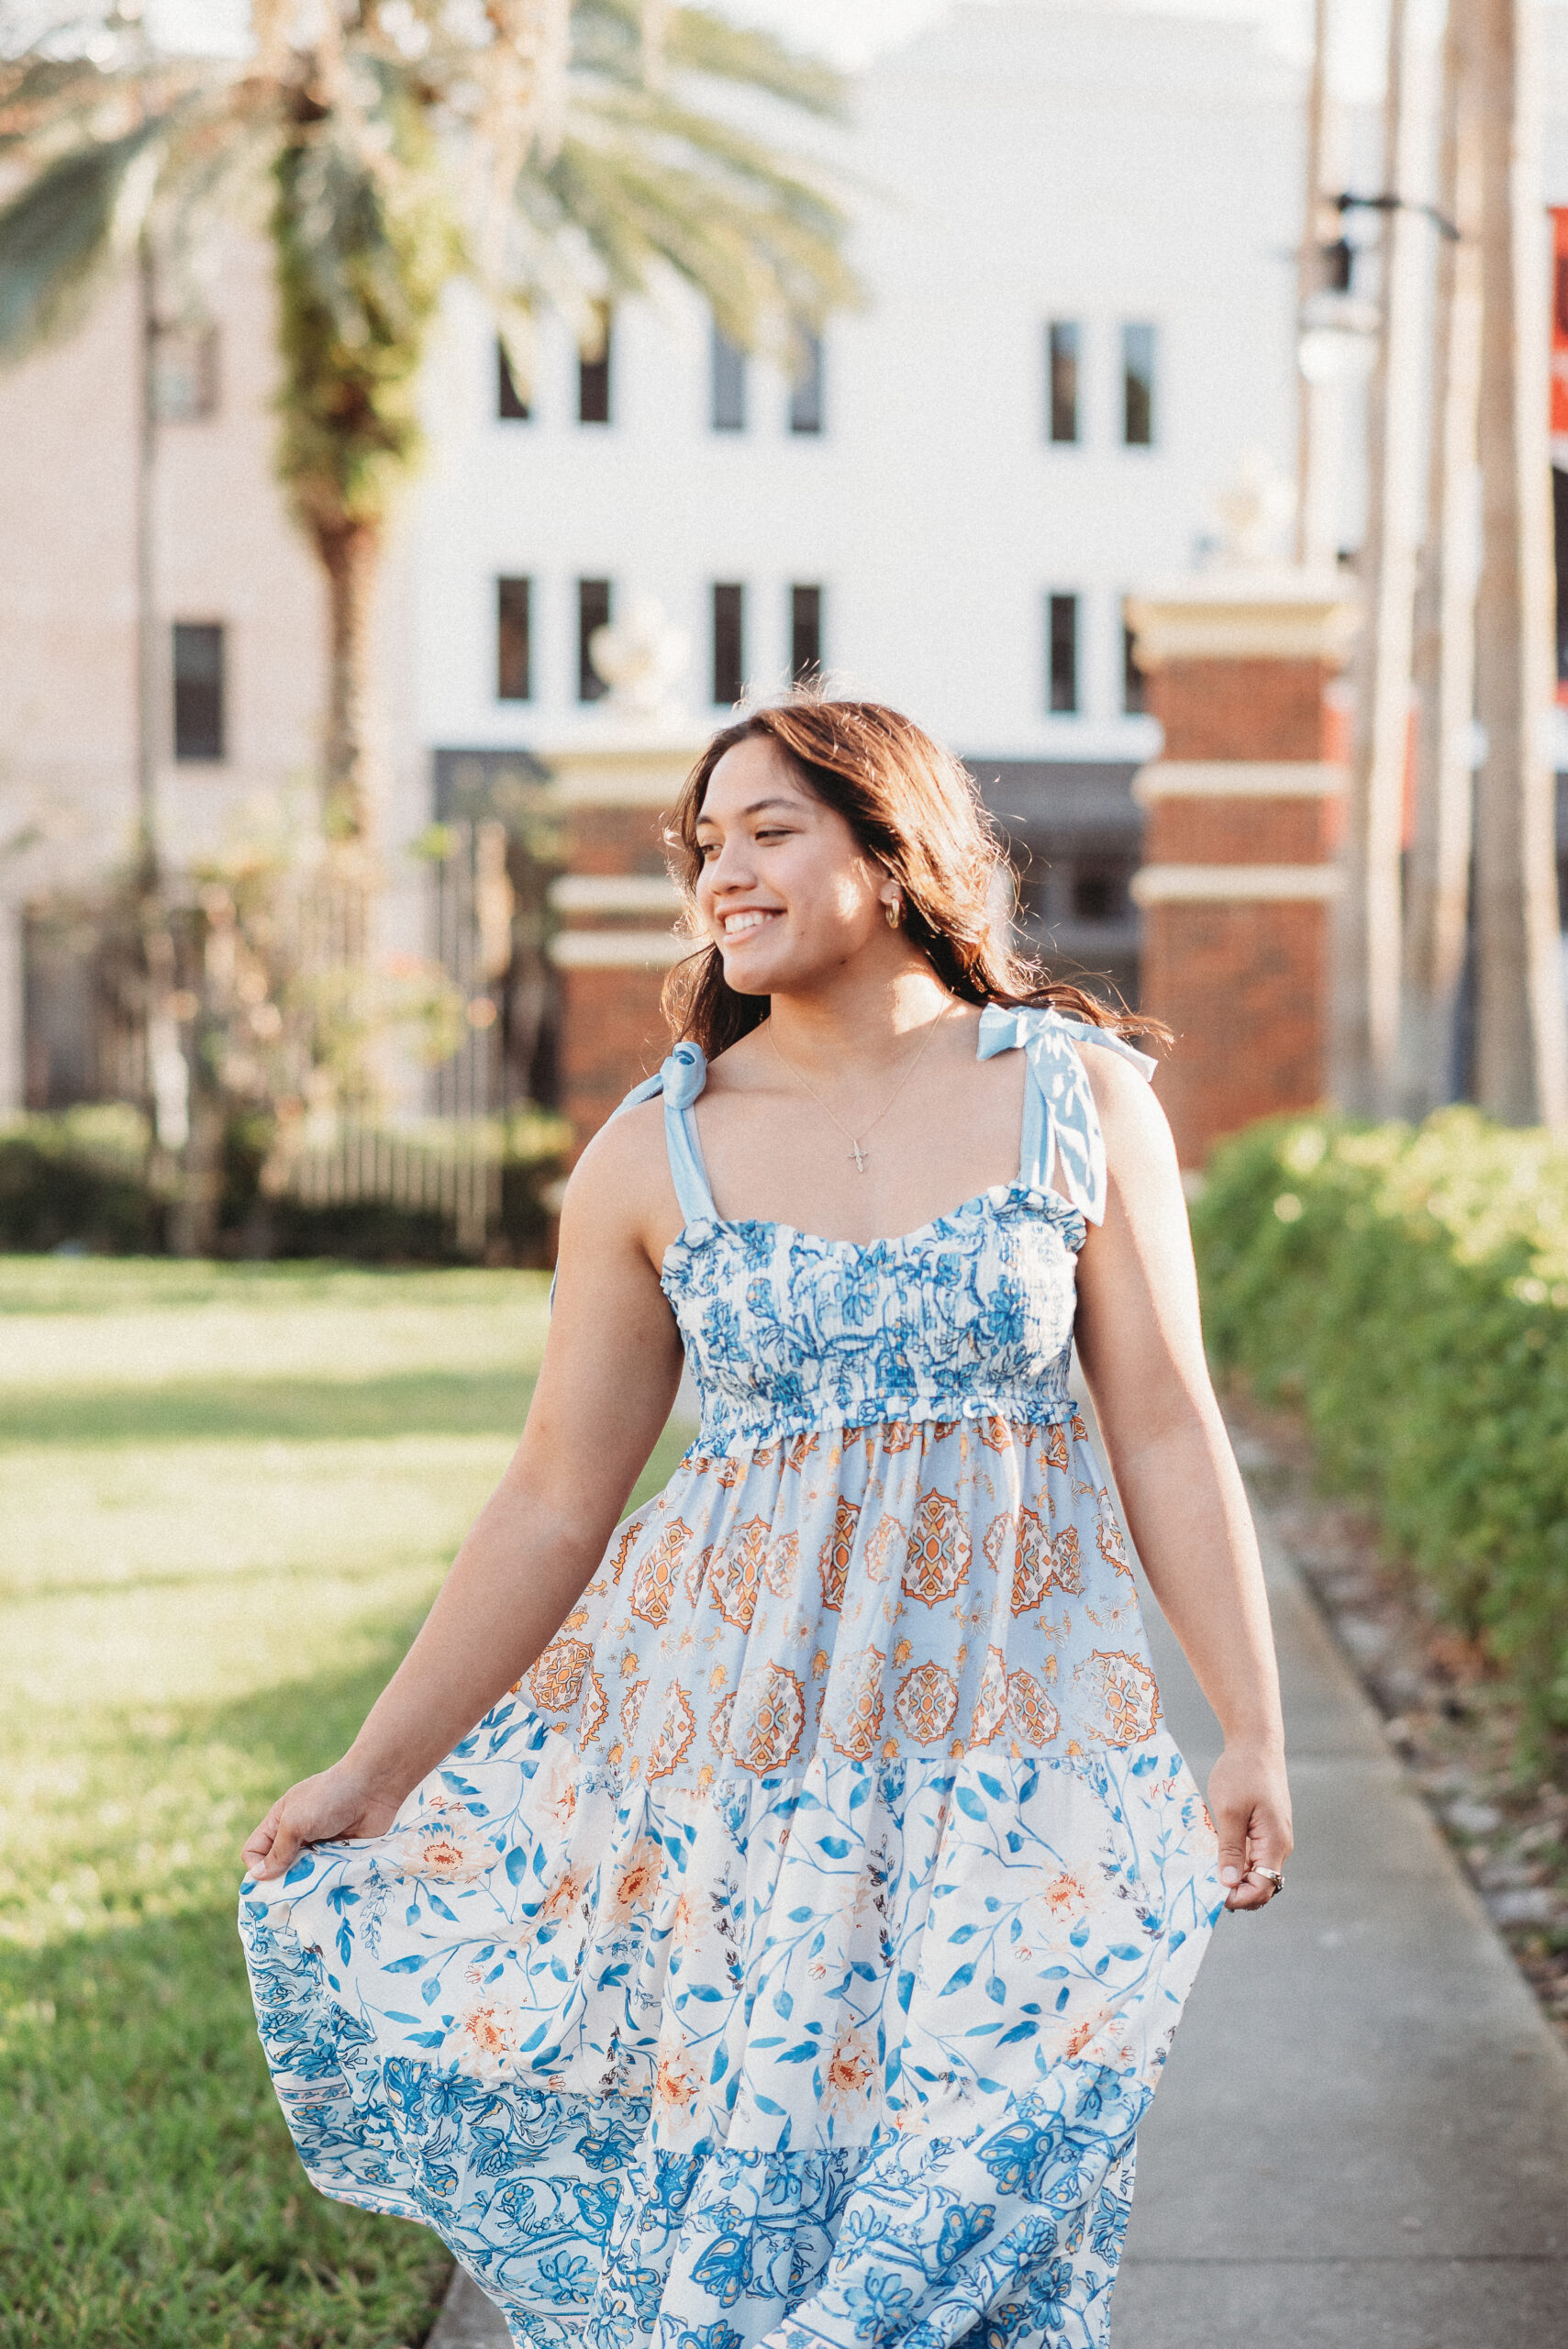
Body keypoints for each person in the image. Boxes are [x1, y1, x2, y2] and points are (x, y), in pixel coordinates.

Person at [239, 698, 1291, 2349]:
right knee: (764, 2240)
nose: (722, 873)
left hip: (1025, 1763)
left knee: (999, 2213)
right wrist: (373, 1773)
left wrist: (1249, 1729)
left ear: (892, 846)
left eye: (767, 831)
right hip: (741, 1773)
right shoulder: (655, 1155)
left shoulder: (1078, 1099)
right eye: (703, 846)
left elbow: (1163, 1420)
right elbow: (550, 1499)